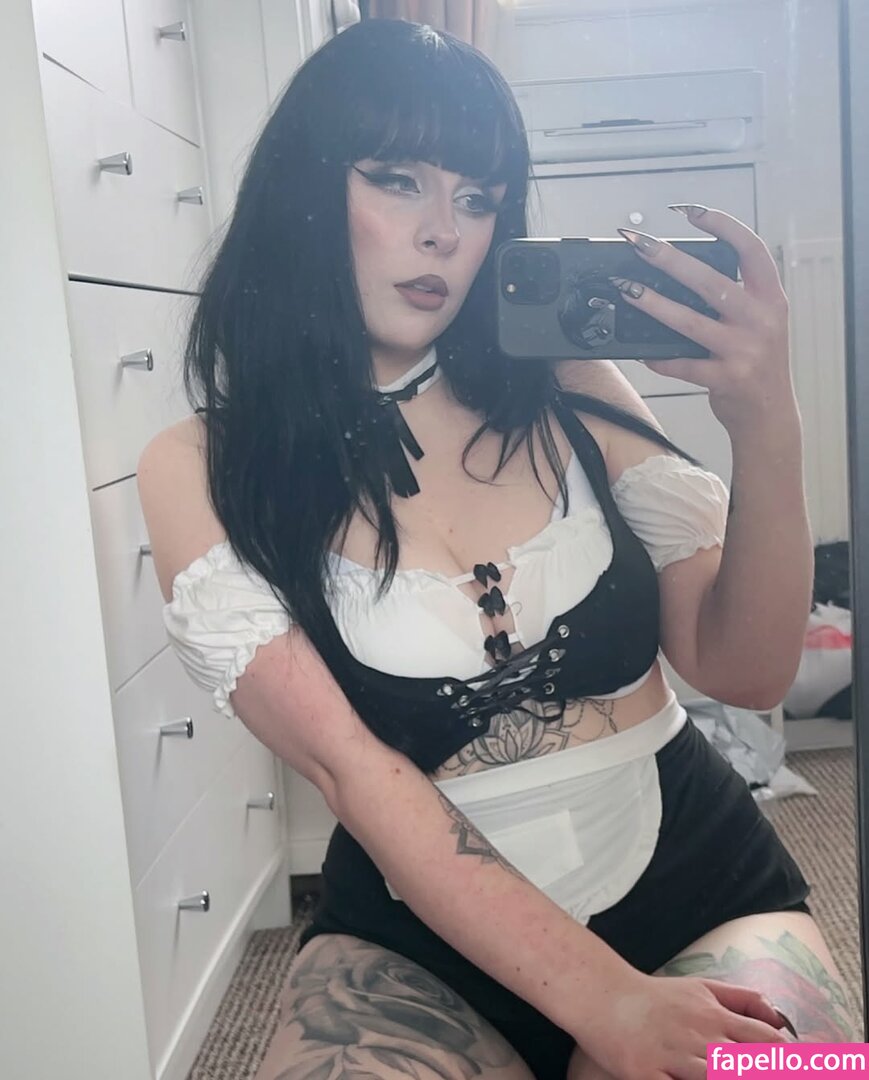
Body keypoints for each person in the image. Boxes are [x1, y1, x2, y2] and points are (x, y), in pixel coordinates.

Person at [137, 18, 858, 1080]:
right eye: (397, 181)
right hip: (415, 942)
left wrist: (765, 422)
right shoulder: (201, 463)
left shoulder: (569, 385)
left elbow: (745, 671)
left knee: (805, 1078)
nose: (444, 232)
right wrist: (608, 1005)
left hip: (697, 883)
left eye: (477, 198)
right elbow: (350, 771)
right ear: (304, 189)